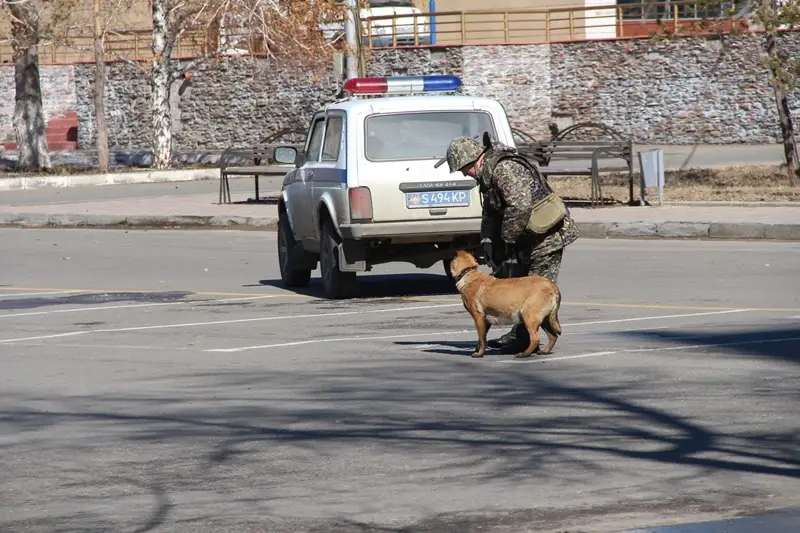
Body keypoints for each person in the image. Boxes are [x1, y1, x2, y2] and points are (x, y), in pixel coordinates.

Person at [434, 134, 579, 354]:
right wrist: (488, 241)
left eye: (463, 168)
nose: (463, 173)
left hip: (547, 238)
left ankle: (525, 339)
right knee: (514, 288)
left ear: (472, 160)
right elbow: (491, 212)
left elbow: (520, 207)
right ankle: (520, 335)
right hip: (527, 239)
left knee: (536, 289)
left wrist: (508, 240)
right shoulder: (487, 174)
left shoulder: (504, 169)